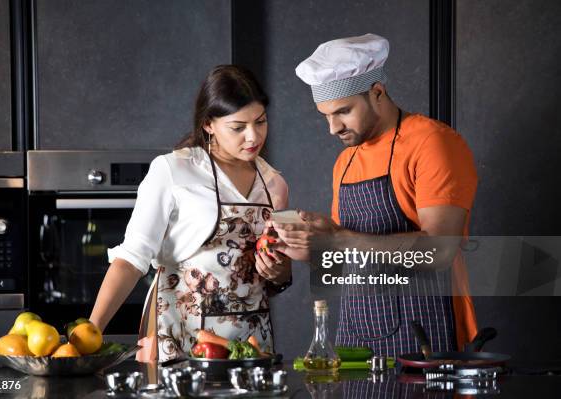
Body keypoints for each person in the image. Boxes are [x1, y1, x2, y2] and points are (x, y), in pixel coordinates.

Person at [271, 34, 478, 356]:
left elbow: (440, 251)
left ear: (377, 92)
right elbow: (348, 257)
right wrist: (310, 246)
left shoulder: (432, 143)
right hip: (358, 335)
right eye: (325, 115)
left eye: (342, 111)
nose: (333, 128)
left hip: (425, 331)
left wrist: (339, 238)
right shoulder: (347, 160)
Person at [89, 65, 292, 363]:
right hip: (182, 339)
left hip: (250, 346)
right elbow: (131, 260)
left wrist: (280, 273)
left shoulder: (274, 183)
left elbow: (273, 278)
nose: (253, 136)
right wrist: (91, 332)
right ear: (209, 124)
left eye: (260, 122)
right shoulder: (173, 170)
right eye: (238, 127)